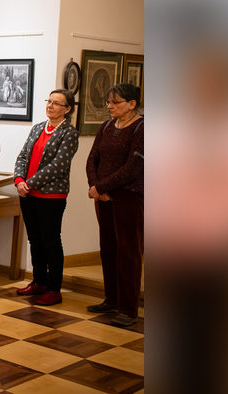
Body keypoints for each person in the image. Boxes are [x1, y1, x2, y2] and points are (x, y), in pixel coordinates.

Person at [13, 89, 79, 306]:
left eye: (56, 103)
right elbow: (23, 155)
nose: (50, 106)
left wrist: (29, 183)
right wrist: (19, 179)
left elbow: (58, 166)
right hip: (27, 193)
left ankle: (54, 288)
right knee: (34, 240)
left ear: (67, 109)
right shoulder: (38, 128)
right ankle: (38, 281)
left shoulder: (69, 133)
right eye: (49, 101)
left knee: (51, 241)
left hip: (51, 195)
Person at [85, 83, 144, 327]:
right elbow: (92, 159)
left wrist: (102, 188)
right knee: (107, 248)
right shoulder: (107, 126)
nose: (109, 106)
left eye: (115, 102)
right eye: (108, 102)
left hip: (129, 196)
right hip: (104, 198)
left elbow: (134, 167)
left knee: (128, 251)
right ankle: (111, 298)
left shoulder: (142, 128)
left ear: (132, 104)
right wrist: (96, 188)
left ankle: (128, 308)